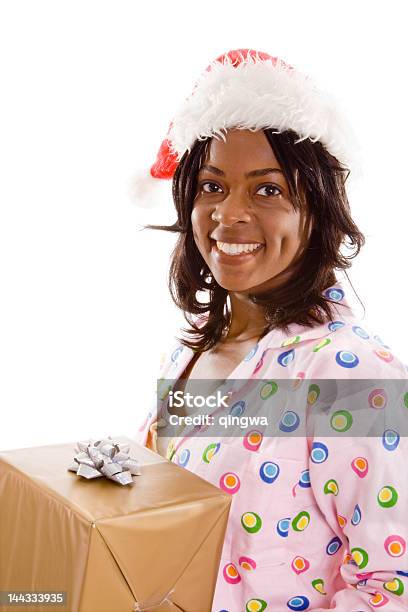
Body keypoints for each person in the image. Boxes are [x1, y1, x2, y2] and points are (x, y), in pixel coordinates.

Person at [133, 50, 408, 611]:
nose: (229, 215)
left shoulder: (352, 376)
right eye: (212, 186)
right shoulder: (187, 357)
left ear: (318, 209)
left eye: (267, 189)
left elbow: (392, 587)